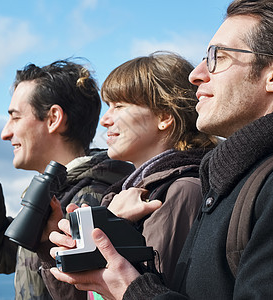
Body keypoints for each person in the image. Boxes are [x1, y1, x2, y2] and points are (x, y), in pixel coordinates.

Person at [48, 0, 273, 299]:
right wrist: (114, 265)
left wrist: (133, 290)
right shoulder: (228, 184)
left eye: (217, 57)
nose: (195, 74)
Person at [38, 52, 217, 299]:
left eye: (119, 106)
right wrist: (54, 248)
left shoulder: (182, 191)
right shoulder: (123, 195)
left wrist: (110, 226)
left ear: (165, 117)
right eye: (108, 106)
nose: (105, 120)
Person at [0, 59, 135, 300]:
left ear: (53, 119)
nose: (5, 133)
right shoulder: (58, 194)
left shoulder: (88, 202)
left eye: (15, 118)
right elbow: (3, 256)